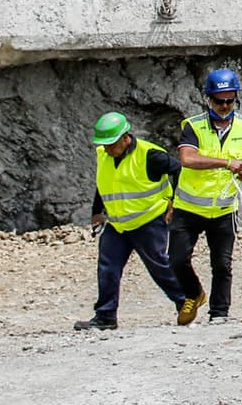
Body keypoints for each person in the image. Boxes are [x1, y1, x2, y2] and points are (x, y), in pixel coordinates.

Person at [77, 112, 197, 330]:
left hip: (148, 221)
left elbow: (180, 170)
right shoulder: (104, 155)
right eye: (104, 145)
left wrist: (175, 203)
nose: (107, 149)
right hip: (117, 224)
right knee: (108, 268)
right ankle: (105, 317)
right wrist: (97, 211)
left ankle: (185, 301)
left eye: (111, 145)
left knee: (159, 265)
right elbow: (103, 183)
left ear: (125, 138)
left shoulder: (150, 155)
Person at [170, 67, 242, 326]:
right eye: (219, 100)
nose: (225, 106)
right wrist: (227, 163)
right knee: (177, 259)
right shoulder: (193, 126)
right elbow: (187, 159)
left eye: (229, 100)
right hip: (189, 208)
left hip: (224, 209)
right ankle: (194, 294)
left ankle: (219, 312)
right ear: (208, 99)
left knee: (222, 265)